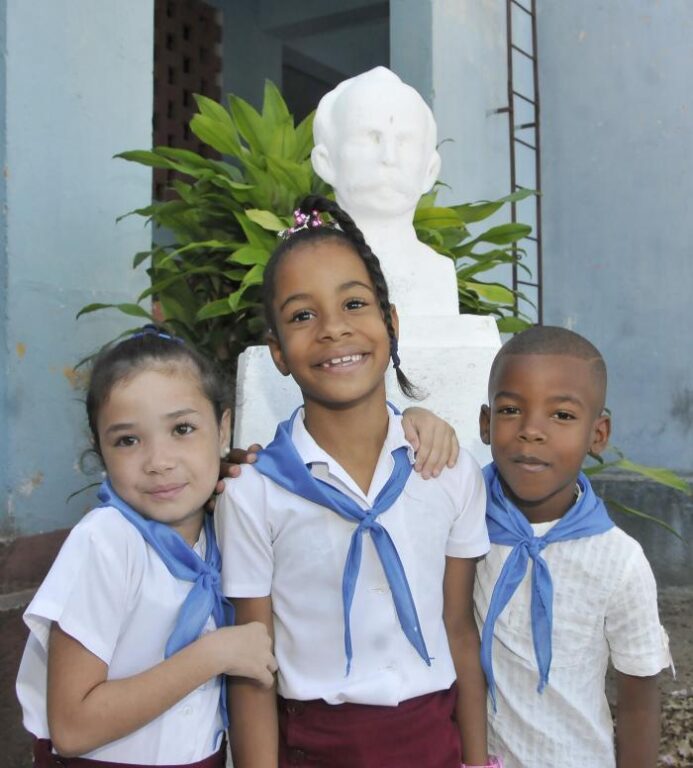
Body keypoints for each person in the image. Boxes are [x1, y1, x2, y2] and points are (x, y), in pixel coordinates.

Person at [216, 195, 498, 768]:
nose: (333, 329)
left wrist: (475, 759)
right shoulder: (253, 491)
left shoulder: (447, 471)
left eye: (353, 303)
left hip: (433, 742)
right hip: (313, 746)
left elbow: (458, 629)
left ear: (390, 324)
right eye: (302, 315)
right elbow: (254, 665)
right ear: (277, 353)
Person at [16, 326, 277, 767]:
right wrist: (213, 654)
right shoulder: (106, 542)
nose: (159, 462)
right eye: (128, 440)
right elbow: (74, 727)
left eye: (182, 428)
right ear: (100, 451)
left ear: (222, 430)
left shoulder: (220, 528)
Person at [475, 326, 672, 768]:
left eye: (561, 416)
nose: (531, 432)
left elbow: (639, 695)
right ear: (486, 424)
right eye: (510, 410)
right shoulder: (465, 530)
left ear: (598, 434)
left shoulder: (618, 561)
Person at [312, 66, 459, 317]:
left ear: (430, 171)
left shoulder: (439, 274)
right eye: (370, 138)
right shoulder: (307, 269)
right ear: (325, 163)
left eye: (405, 141)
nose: (389, 158)